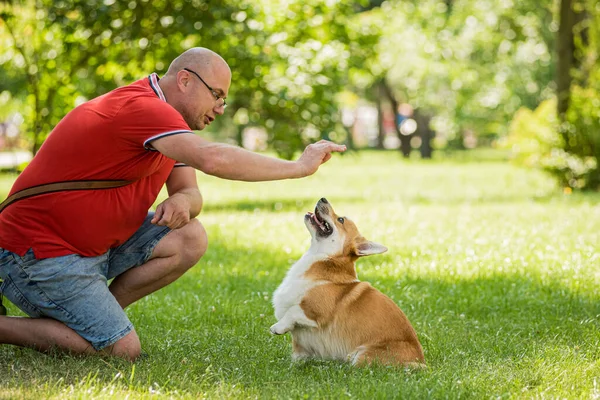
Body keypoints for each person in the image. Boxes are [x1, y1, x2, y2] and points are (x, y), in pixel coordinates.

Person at [0, 47, 346, 361]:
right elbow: (213, 159)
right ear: (184, 80)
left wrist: (182, 199)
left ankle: (94, 318)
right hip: (37, 253)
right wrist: (298, 168)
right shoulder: (142, 108)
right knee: (122, 350)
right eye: (217, 95)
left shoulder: (169, 128)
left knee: (191, 237)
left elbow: (191, 194)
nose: (221, 109)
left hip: (89, 249)